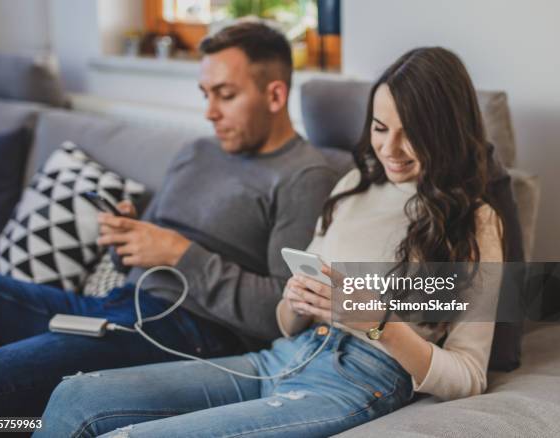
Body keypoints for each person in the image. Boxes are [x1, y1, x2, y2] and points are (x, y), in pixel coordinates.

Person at [38, 46, 510, 437]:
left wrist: (381, 324)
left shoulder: (475, 222)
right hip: (282, 356)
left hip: (358, 379)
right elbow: (287, 324)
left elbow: (469, 374)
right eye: (380, 128)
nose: (388, 149)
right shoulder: (353, 186)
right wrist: (297, 300)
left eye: (412, 135)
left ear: (446, 133)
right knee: (75, 396)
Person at [0, 22, 340, 418]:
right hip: (113, 307)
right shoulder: (196, 152)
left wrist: (181, 254)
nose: (210, 112)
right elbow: (138, 257)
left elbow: (284, 310)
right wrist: (124, 240)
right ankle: (11, 425)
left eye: (226, 95)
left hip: (188, 332)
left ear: (275, 95)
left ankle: (2, 420)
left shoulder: (304, 176)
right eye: (206, 95)